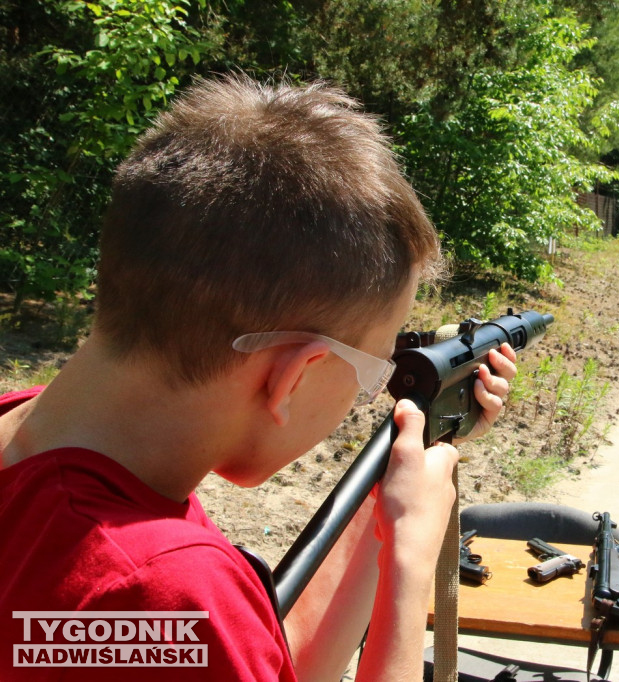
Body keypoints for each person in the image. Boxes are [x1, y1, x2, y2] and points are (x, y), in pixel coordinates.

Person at [0, 75, 517, 681]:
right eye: (374, 369)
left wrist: (388, 502)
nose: (369, 392)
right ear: (294, 376)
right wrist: (409, 562)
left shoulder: (68, 468)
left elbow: (263, 659)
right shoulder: (166, 590)